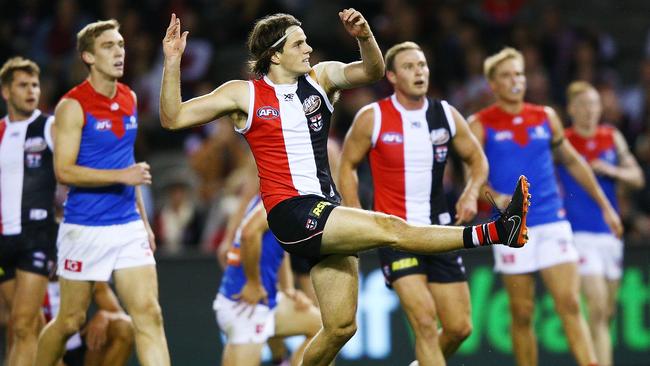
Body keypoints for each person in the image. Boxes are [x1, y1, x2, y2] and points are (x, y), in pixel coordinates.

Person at [160, 11, 530, 365]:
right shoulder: (244, 94)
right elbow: (172, 117)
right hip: (291, 211)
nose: (308, 49)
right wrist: (173, 61)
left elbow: (373, 70)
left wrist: (366, 38)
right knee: (391, 228)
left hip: (324, 208)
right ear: (274, 55)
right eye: (299, 44)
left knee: (340, 328)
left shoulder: (320, 79)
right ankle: (497, 230)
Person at [468, 47, 623, 366]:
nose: (516, 80)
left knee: (569, 304)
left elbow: (573, 162)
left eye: (520, 73)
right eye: (508, 75)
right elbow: (472, 178)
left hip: (553, 221)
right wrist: (492, 196)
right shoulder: (480, 124)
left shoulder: (546, 116)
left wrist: (606, 205)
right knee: (523, 312)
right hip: (512, 228)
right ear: (493, 85)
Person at [338, 41, 484, 365]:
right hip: (396, 235)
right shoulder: (372, 117)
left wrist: (471, 192)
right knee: (426, 324)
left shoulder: (445, 114)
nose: (419, 72)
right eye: (409, 67)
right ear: (391, 75)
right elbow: (346, 164)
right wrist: (355, 213)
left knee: (460, 327)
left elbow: (477, 159)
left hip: (440, 230)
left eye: (422, 65)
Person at [35, 19, 170, 366]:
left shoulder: (130, 97)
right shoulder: (72, 105)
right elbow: (63, 171)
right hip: (84, 227)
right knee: (70, 321)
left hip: (126, 227)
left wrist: (145, 223)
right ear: (88, 57)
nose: (119, 52)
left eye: (121, 45)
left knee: (149, 316)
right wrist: (122, 176)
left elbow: (128, 167)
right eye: (109, 46)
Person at [559, 81, 645, 366]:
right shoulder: (564, 140)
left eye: (594, 104)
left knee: (606, 312)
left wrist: (612, 170)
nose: (589, 110)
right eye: (583, 105)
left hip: (610, 234)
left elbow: (637, 178)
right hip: (578, 234)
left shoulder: (612, 137)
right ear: (571, 109)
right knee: (595, 307)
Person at [214, 196, 322, 366]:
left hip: (266, 301)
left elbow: (282, 244)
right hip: (246, 305)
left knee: (322, 328)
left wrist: (288, 289)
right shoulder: (278, 201)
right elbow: (248, 234)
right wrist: (253, 283)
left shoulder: (270, 198)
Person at [0, 56, 57, 366]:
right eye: (23, 85)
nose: (31, 90)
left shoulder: (49, 127)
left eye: (34, 84)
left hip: (36, 237)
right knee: (26, 326)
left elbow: (72, 169)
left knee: (22, 326)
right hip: (3, 240)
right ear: (6, 92)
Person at [43, 281, 134, 366]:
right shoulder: (33, 279)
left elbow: (119, 314)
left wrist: (104, 315)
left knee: (124, 327)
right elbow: (32, 335)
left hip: (82, 348)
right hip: (44, 354)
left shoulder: (84, 270)